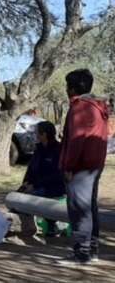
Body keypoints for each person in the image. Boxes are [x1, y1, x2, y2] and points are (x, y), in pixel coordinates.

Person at [58, 68, 109, 265]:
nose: (66, 89)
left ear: (73, 88)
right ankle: (92, 249)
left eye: (67, 85)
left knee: (79, 208)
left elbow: (77, 141)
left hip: (80, 166)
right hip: (95, 165)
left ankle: (81, 253)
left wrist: (69, 167)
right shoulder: (97, 107)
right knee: (90, 206)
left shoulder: (80, 108)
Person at [17, 121, 65, 237]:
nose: (35, 134)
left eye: (36, 132)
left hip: (54, 187)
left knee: (33, 196)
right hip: (37, 184)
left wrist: (35, 185)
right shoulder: (38, 150)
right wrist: (26, 182)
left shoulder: (58, 150)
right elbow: (32, 169)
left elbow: (57, 176)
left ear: (43, 134)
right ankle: (24, 225)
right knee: (16, 196)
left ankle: (52, 225)